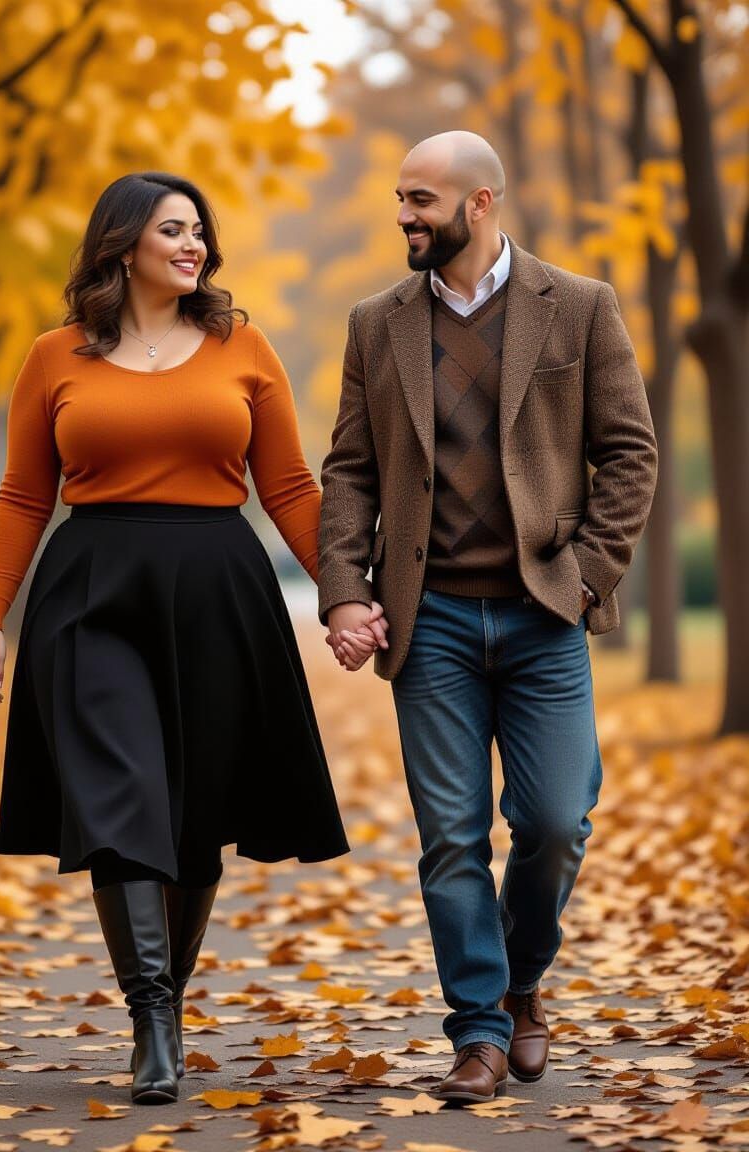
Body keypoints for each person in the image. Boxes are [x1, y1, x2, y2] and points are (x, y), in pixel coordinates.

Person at [0, 172, 388, 1106]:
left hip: (216, 590)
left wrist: (345, 596)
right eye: (172, 230)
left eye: (199, 230)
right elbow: (24, 495)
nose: (193, 245)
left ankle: (172, 992)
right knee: (122, 799)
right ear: (123, 244)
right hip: (92, 592)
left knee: (193, 818)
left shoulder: (242, 345)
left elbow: (287, 487)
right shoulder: (55, 357)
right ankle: (151, 1013)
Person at [320, 132, 657, 1102]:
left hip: (542, 615)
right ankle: (475, 1031)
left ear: (479, 204)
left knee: (553, 822)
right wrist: (346, 587)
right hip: (427, 626)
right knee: (450, 837)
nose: (401, 216)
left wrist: (587, 576)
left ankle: (519, 983)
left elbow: (628, 453)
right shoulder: (374, 323)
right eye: (397, 198)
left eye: (418, 199)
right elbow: (348, 470)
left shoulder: (580, 307)